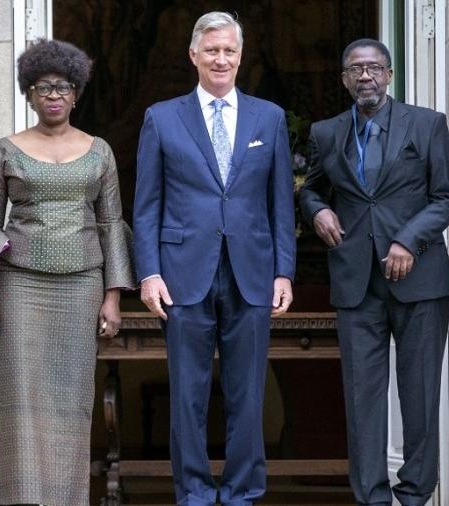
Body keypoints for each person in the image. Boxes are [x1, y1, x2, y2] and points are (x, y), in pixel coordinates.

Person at [0, 39, 135, 505]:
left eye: (63, 87)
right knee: (19, 402)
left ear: (76, 93)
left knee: (71, 401)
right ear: (29, 93)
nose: (53, 95)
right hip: (20, 285)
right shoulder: (5, 150)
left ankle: (68, 498)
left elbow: (111, 222)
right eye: (43, 87)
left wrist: (113, 295)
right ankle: (22, 499)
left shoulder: (99, 151)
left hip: (82, 285)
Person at [132, 11, 296, 506]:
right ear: (194, 56)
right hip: (183, 274)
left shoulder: (269, 117)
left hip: (252, 271)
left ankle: (243, 492)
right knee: (188, 393)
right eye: (211, 50)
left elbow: (280, 203)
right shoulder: (162, 117)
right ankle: (196, 493)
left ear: (240, 56)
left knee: (249, 393)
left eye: (229, 50)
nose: (220, 59)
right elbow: (146, 204)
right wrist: (149, 272)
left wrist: (284, 270)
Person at [299, 39, 449, 506]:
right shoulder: (327, 133)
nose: (365, 76)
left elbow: (446, 197)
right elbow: (311, 190)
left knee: (419, 395)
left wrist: (409, 239)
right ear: (344, 79)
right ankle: (371, 497)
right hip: (356, 284)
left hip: (419, 282)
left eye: (373, 68)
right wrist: (317, 211)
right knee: (362, 399)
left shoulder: (427, 124)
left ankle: (414, 495)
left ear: (389, 75)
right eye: (355, 69)